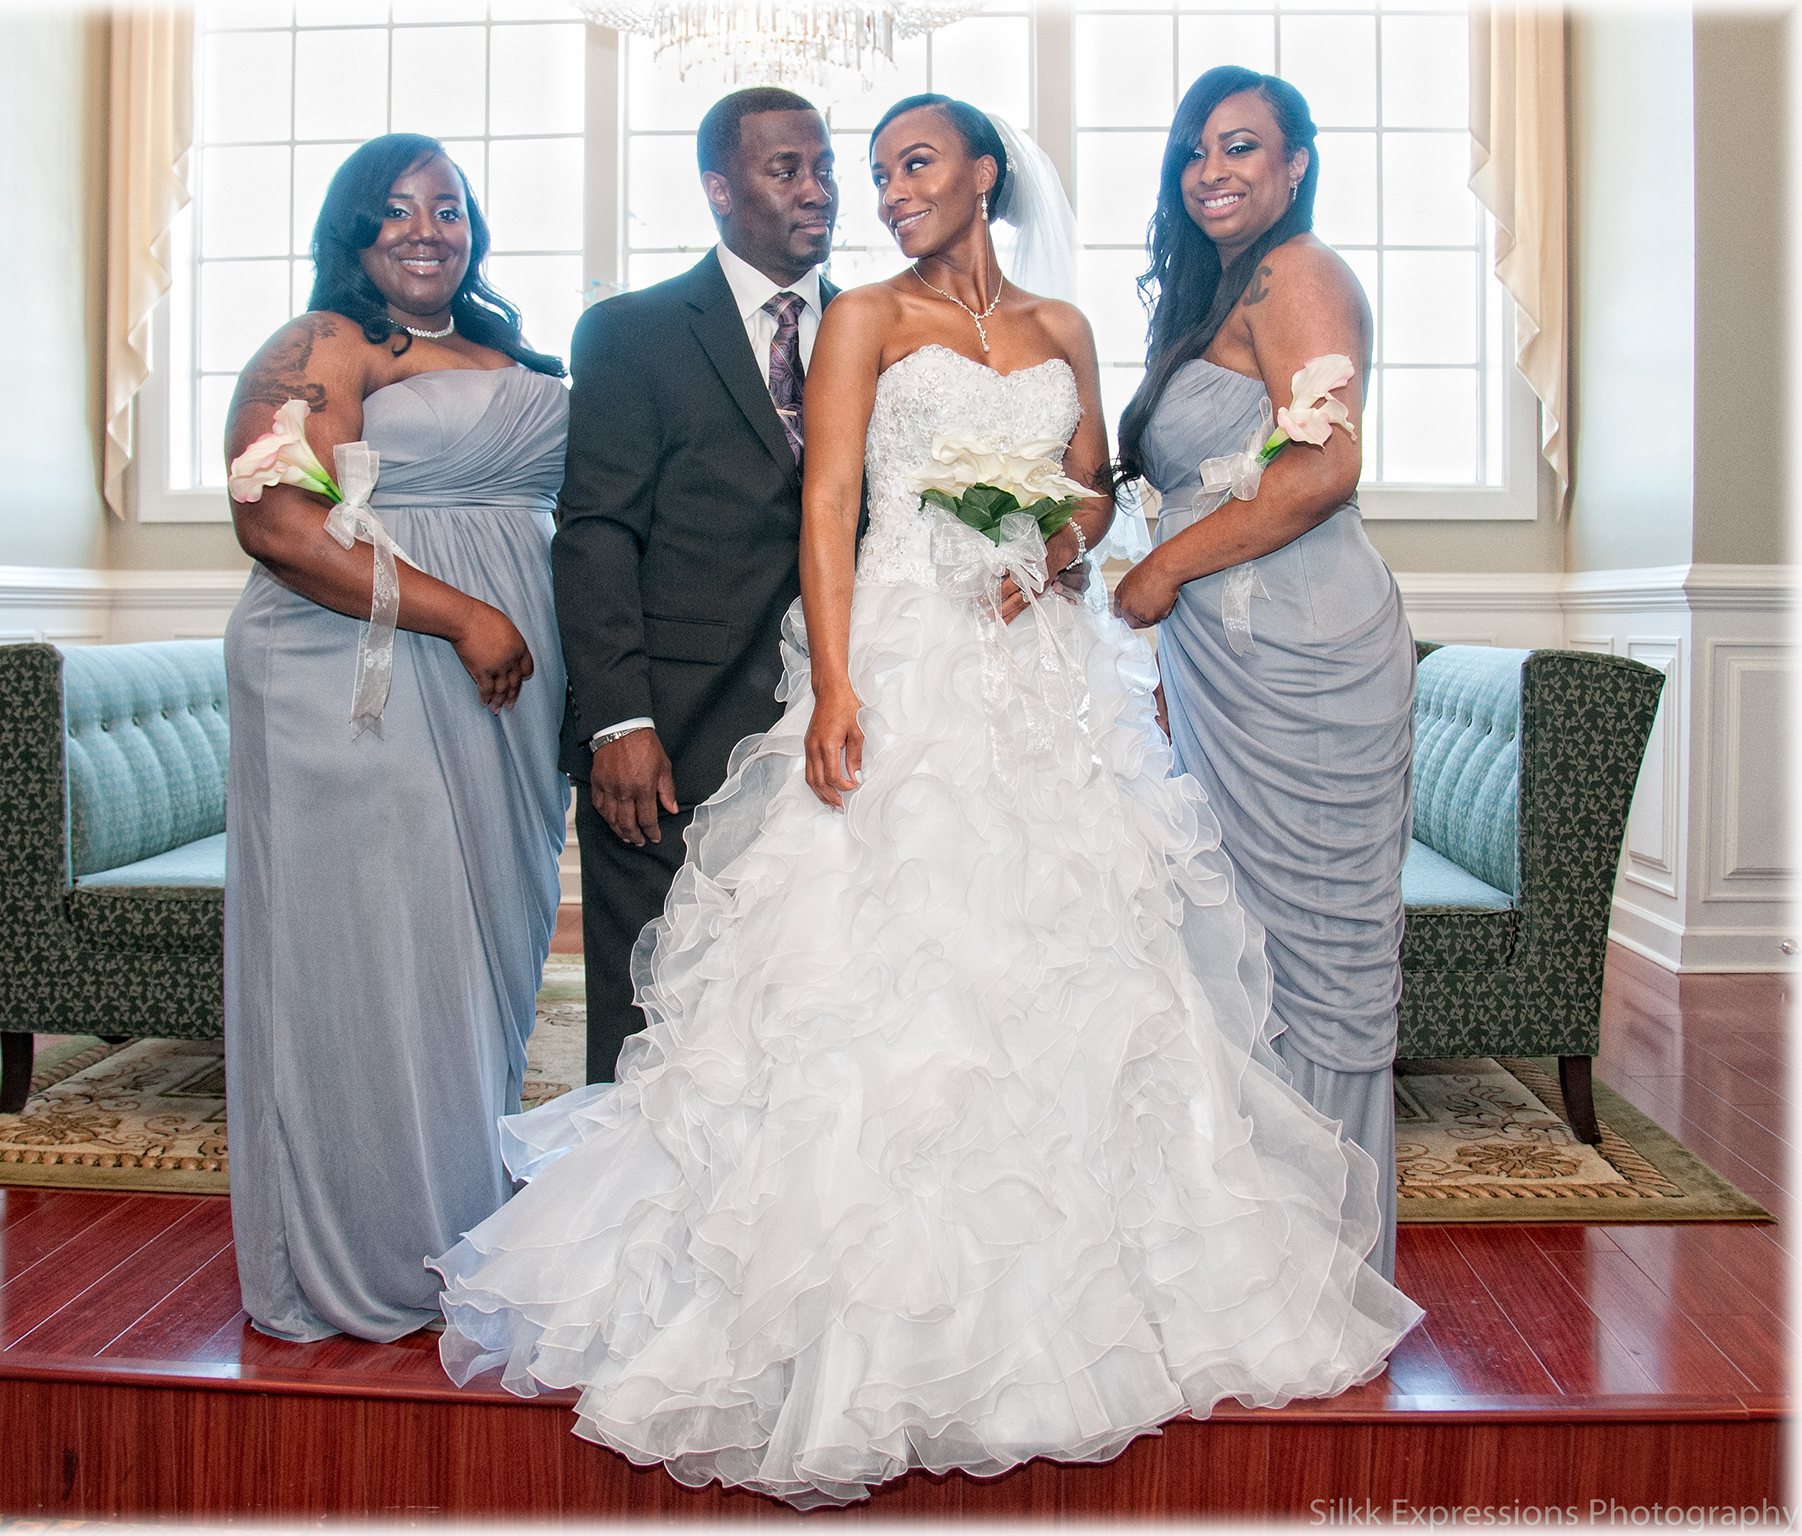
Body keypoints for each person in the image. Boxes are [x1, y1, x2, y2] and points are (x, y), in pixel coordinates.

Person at [429, 95, 1421, 1507]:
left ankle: (1079, 1295)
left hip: (1037, 673)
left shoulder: (1066, 328)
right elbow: (830, 502)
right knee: (878, 965)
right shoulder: (864, 320)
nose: (887, 192)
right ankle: (848, 1308)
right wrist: (837, 686)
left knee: (1071, 956)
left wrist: (1051, 542)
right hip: (903, 660)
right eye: (877, 171)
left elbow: (1091, 494)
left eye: (914, 165)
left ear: (984, 175)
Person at [222, 134, 570, 1342]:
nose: (427, 229)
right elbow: (278, 523)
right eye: (397, 209)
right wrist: (464, 613)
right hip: (357, 673)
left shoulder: (503, 346)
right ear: (353, 228)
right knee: (381, 945)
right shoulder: (321, 343)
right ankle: (371, 1243)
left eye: (449, 208)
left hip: (504, 693)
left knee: (481, 950)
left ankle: (458, 1209)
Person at [1111, 68, 1416, 1282]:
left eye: (1242, 146)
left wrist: (1162, 570)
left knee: (1314, 954)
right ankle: (1252, 1254)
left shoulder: (1301, 273)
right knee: (1233, 946)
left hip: (1308, 652)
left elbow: (1322, 470)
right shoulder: (1220, 295)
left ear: (1296, 165)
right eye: (1195, 150)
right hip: (1226, 665)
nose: (1211, 170)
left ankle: (1327, 1259)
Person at [551, 88, 841, 1085]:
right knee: (653, 1022)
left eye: (825, 167)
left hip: (832, 733)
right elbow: (596, 534)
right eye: (786, 169)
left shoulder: (873, 331)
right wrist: (617, 723)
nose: (818, 190)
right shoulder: (630, 332)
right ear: (719, 189)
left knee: (807, 1012)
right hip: (672, 734)